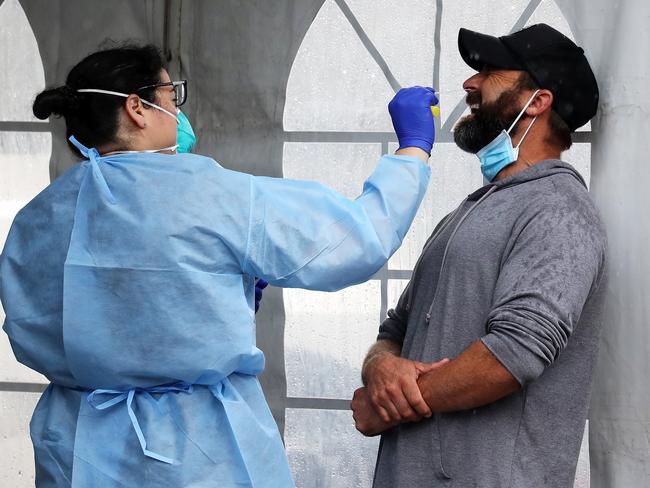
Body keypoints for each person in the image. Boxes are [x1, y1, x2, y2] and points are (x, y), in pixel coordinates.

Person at [0, 44, 439, 487]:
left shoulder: (38, 217)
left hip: (78, 446)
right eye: (173, 98)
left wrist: (208, 303)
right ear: (137, 107)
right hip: (196, 450)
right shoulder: (210, 193)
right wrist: (412, 152)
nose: (179, 112)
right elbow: (352, 240)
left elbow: (43, 321)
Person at [352, 23, 607, 488]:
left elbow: (515, 352)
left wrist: (388, 402)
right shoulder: (467, 212)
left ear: (538, 101)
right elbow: (395, 331)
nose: (470, 83)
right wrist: (380, 367)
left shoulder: (560, 210)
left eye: (490, 71)